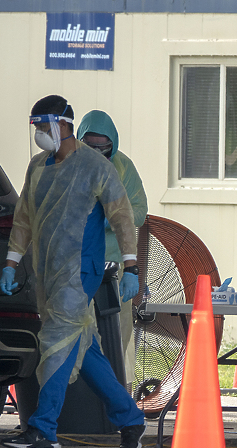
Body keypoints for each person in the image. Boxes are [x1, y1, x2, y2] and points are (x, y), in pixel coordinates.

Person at [0, 95, 146, 448]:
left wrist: (131, 267)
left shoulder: (95, 167)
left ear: (63, 124)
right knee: (86, 349)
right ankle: (131, 419)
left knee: (55, 343)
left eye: (43, 126)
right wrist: (11, 262)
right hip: (47, 275)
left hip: (81, 273)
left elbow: (124, 217)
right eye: (34, 128)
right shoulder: (37, 168)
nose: (39, 134)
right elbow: (23, 219)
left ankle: (43, 429)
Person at [77, 110, 148, 388]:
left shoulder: (123, 167)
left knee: (117, 338)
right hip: (77, 266)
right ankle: (81, 403)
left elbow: (140, 210)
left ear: (113, 145)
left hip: (115, 269)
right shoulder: (65, 167)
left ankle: (118, 398)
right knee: (79, 336)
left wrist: (113, 217)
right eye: (89, 146)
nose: (96, 152)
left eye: (102, 147)